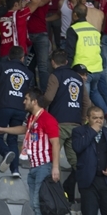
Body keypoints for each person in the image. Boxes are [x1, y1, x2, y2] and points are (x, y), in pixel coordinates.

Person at [0, 88, 61, 215]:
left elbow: (56, 143)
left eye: (26, 99)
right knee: (36, 205)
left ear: (34, 101)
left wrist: (56, 167)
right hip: (33, 168)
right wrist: (3, 129)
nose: (24, 101)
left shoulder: (48, 119)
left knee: (38, 205)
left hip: (44, 166)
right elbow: (24, 130)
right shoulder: (32, 118)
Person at [43, 50, 91, 200]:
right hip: (75, 124)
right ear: (66, 62)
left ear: (53, 62)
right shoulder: (78, 78)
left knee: (49, 160)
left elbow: (49, 97)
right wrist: (82, 120)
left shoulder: (55, 75)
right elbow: (87, 103)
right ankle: (76, 193)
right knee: (77, 163)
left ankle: (51, 197)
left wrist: (39, 110)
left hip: (58, 123)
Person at [0, 46, 32, 177]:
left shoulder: (2, 65)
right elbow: (32, 94)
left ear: (9, 56)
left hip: (4, 106)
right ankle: (15, 170)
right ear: (22, 58)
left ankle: (5, 153)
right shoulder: (28, 72)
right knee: (13, 139)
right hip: (20, 109)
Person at [66, 3, 107, 123]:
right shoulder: (94, 29)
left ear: (74, 15)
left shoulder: (73, 30)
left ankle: (84, 122)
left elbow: (70, 52)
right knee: (95, 93)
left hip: (83, 70)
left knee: (85, 98)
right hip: (97, 68)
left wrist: (68, 69)